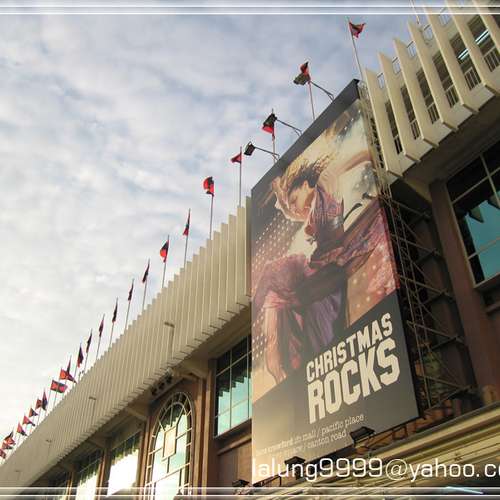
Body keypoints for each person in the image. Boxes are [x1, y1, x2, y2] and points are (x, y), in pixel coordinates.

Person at [253, 148, 390, 385]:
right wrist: (282, 197)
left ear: (307, 185)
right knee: (293, 307)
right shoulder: (309, 209)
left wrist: (377, 159)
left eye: (295, 199)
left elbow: (359, 154)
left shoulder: (327, 182)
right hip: (321, 271)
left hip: (332, 267)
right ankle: (302, 367)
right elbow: (293, 212)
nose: (295, 208)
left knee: (279, 282)